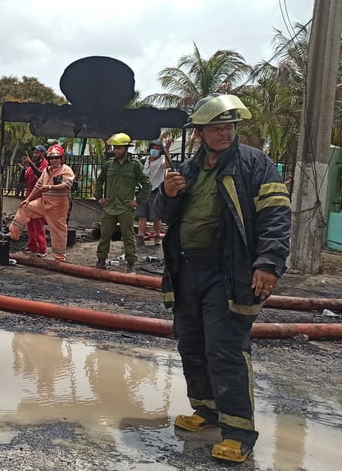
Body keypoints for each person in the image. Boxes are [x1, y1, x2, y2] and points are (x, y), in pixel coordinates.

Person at [155, 93, 291, 463]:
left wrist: (268, 263)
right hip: (187, 270)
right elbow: (163, 213)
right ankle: (207, 411)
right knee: (192, 344)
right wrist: (166, 195)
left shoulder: (254, 165)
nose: (223, 133)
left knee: (225, 348)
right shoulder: (189, 168)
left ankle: (238, 432)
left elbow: (276, 215)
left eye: (229, 126)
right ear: (199, 132)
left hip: (228, 271)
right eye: (215, 127)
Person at [93, 133, 151, 272]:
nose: (116, 150)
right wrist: (99, 197)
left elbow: (147, 184)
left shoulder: (135, 166)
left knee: (128, 237)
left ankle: (131, 263)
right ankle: (101, 260)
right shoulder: (109, 165)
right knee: (105, 235)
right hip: (109, 207)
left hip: (125, 208)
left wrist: (137, 201)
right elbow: (99, 181)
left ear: (126, 148)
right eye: (115, 148)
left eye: (119, 148)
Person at [7, 144, 75, 262]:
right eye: (51, 158)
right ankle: (13, 234)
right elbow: (38, 186)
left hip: (57, 207)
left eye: (56, 158)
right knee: (25, 208)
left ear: (62, 158)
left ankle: (59, 258)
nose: (54, 160)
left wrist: (50, 187)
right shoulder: (46, 170)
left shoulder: (66, 170)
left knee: (58, 231)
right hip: (44, 202)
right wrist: (28, 199)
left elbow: (67, 185)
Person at [135, 139, 170, 246]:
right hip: (143, 190)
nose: (155, 150)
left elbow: (168, 165)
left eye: (157, 148)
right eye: (153, 148)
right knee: (142, 215)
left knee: (156, 216)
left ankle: (157, 236)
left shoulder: (161, 161)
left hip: (156, 190)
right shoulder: (144, 160)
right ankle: (140, 236)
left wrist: (167, 150)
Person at [22, 145, 50, 255]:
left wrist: (31, 164)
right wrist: (24, 168)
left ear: (43, 153)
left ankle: (42, 248)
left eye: (37, 153)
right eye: (34, 153)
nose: (35, 155)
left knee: (38, 223)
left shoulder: (46, 165)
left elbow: (41, 175)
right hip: (29, 197)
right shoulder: (30, 167)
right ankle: (32, 246)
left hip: (39, 199)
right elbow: (22, 180)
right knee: (30, 223)